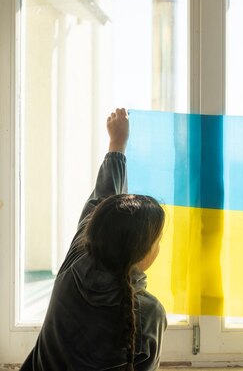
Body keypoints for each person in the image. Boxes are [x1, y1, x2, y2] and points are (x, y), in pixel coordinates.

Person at [20, 108, 167, 371]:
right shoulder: (149, 313)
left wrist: (117, 144)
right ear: (141, 253)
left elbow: (102, 199)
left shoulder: (76, 264)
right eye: (157, 240)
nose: (160, 246)